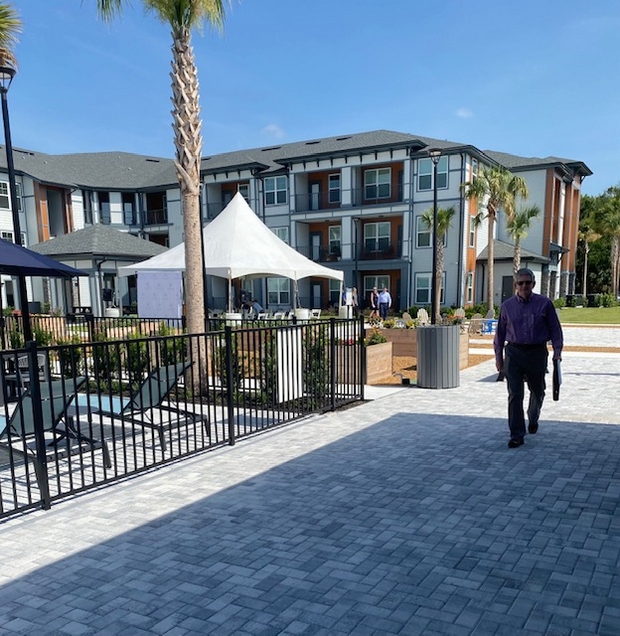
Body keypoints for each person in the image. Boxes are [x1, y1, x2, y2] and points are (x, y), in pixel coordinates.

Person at [494, 268, 563, 449]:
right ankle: (517, 434)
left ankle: (533, 417)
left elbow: (555, 329)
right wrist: (498, 357)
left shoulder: (544, 304)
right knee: (515, 394)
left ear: (533, 284)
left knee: (538, 391)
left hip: (536, 353)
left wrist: (557, 351)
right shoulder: (506, 306)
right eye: (520, 283)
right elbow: (500, 334)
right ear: (515, 285)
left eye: (527, 282)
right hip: (514, 353)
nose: (524, 286)